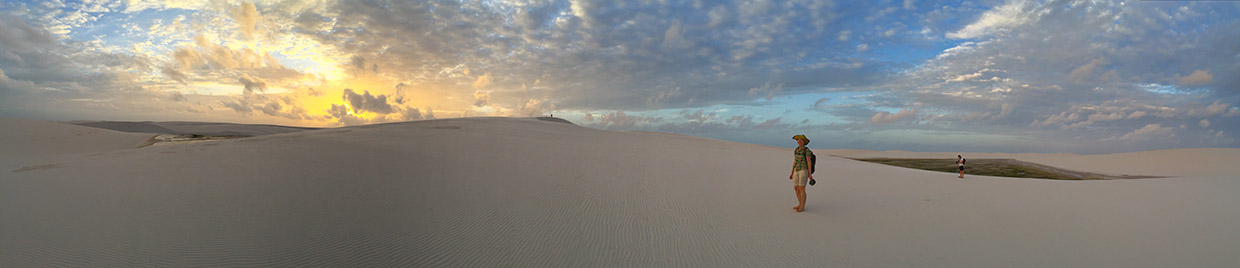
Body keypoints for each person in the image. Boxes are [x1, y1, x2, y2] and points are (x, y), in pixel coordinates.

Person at [789, 134, 813, 212]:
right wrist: (792, 172)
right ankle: (800, 204)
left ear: (804, 142)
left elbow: (809, 162)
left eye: (801, 140)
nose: (799, 141)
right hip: (796, 169)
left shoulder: (806, 150)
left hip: (803, 170)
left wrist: (810, 173)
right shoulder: (796, 150)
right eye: (798, 140)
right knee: (796, 187)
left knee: (801, 188)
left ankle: (802, 206)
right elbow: (795, 161)